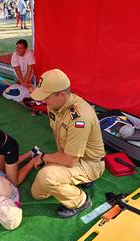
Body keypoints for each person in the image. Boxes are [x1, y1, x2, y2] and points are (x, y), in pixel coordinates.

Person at [30, 69, 106, 218]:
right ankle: (73, 180)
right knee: (37, 194)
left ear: (62, 95)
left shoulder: (80, 118)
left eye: (46, 97)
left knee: (46, 176)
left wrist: (45, 158)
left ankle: (81, 201)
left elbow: (70, 160)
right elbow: (57, 135)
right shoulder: (54, 105)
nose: (43, 101)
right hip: (71, 157)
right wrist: (56, 160)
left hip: (90, 163)